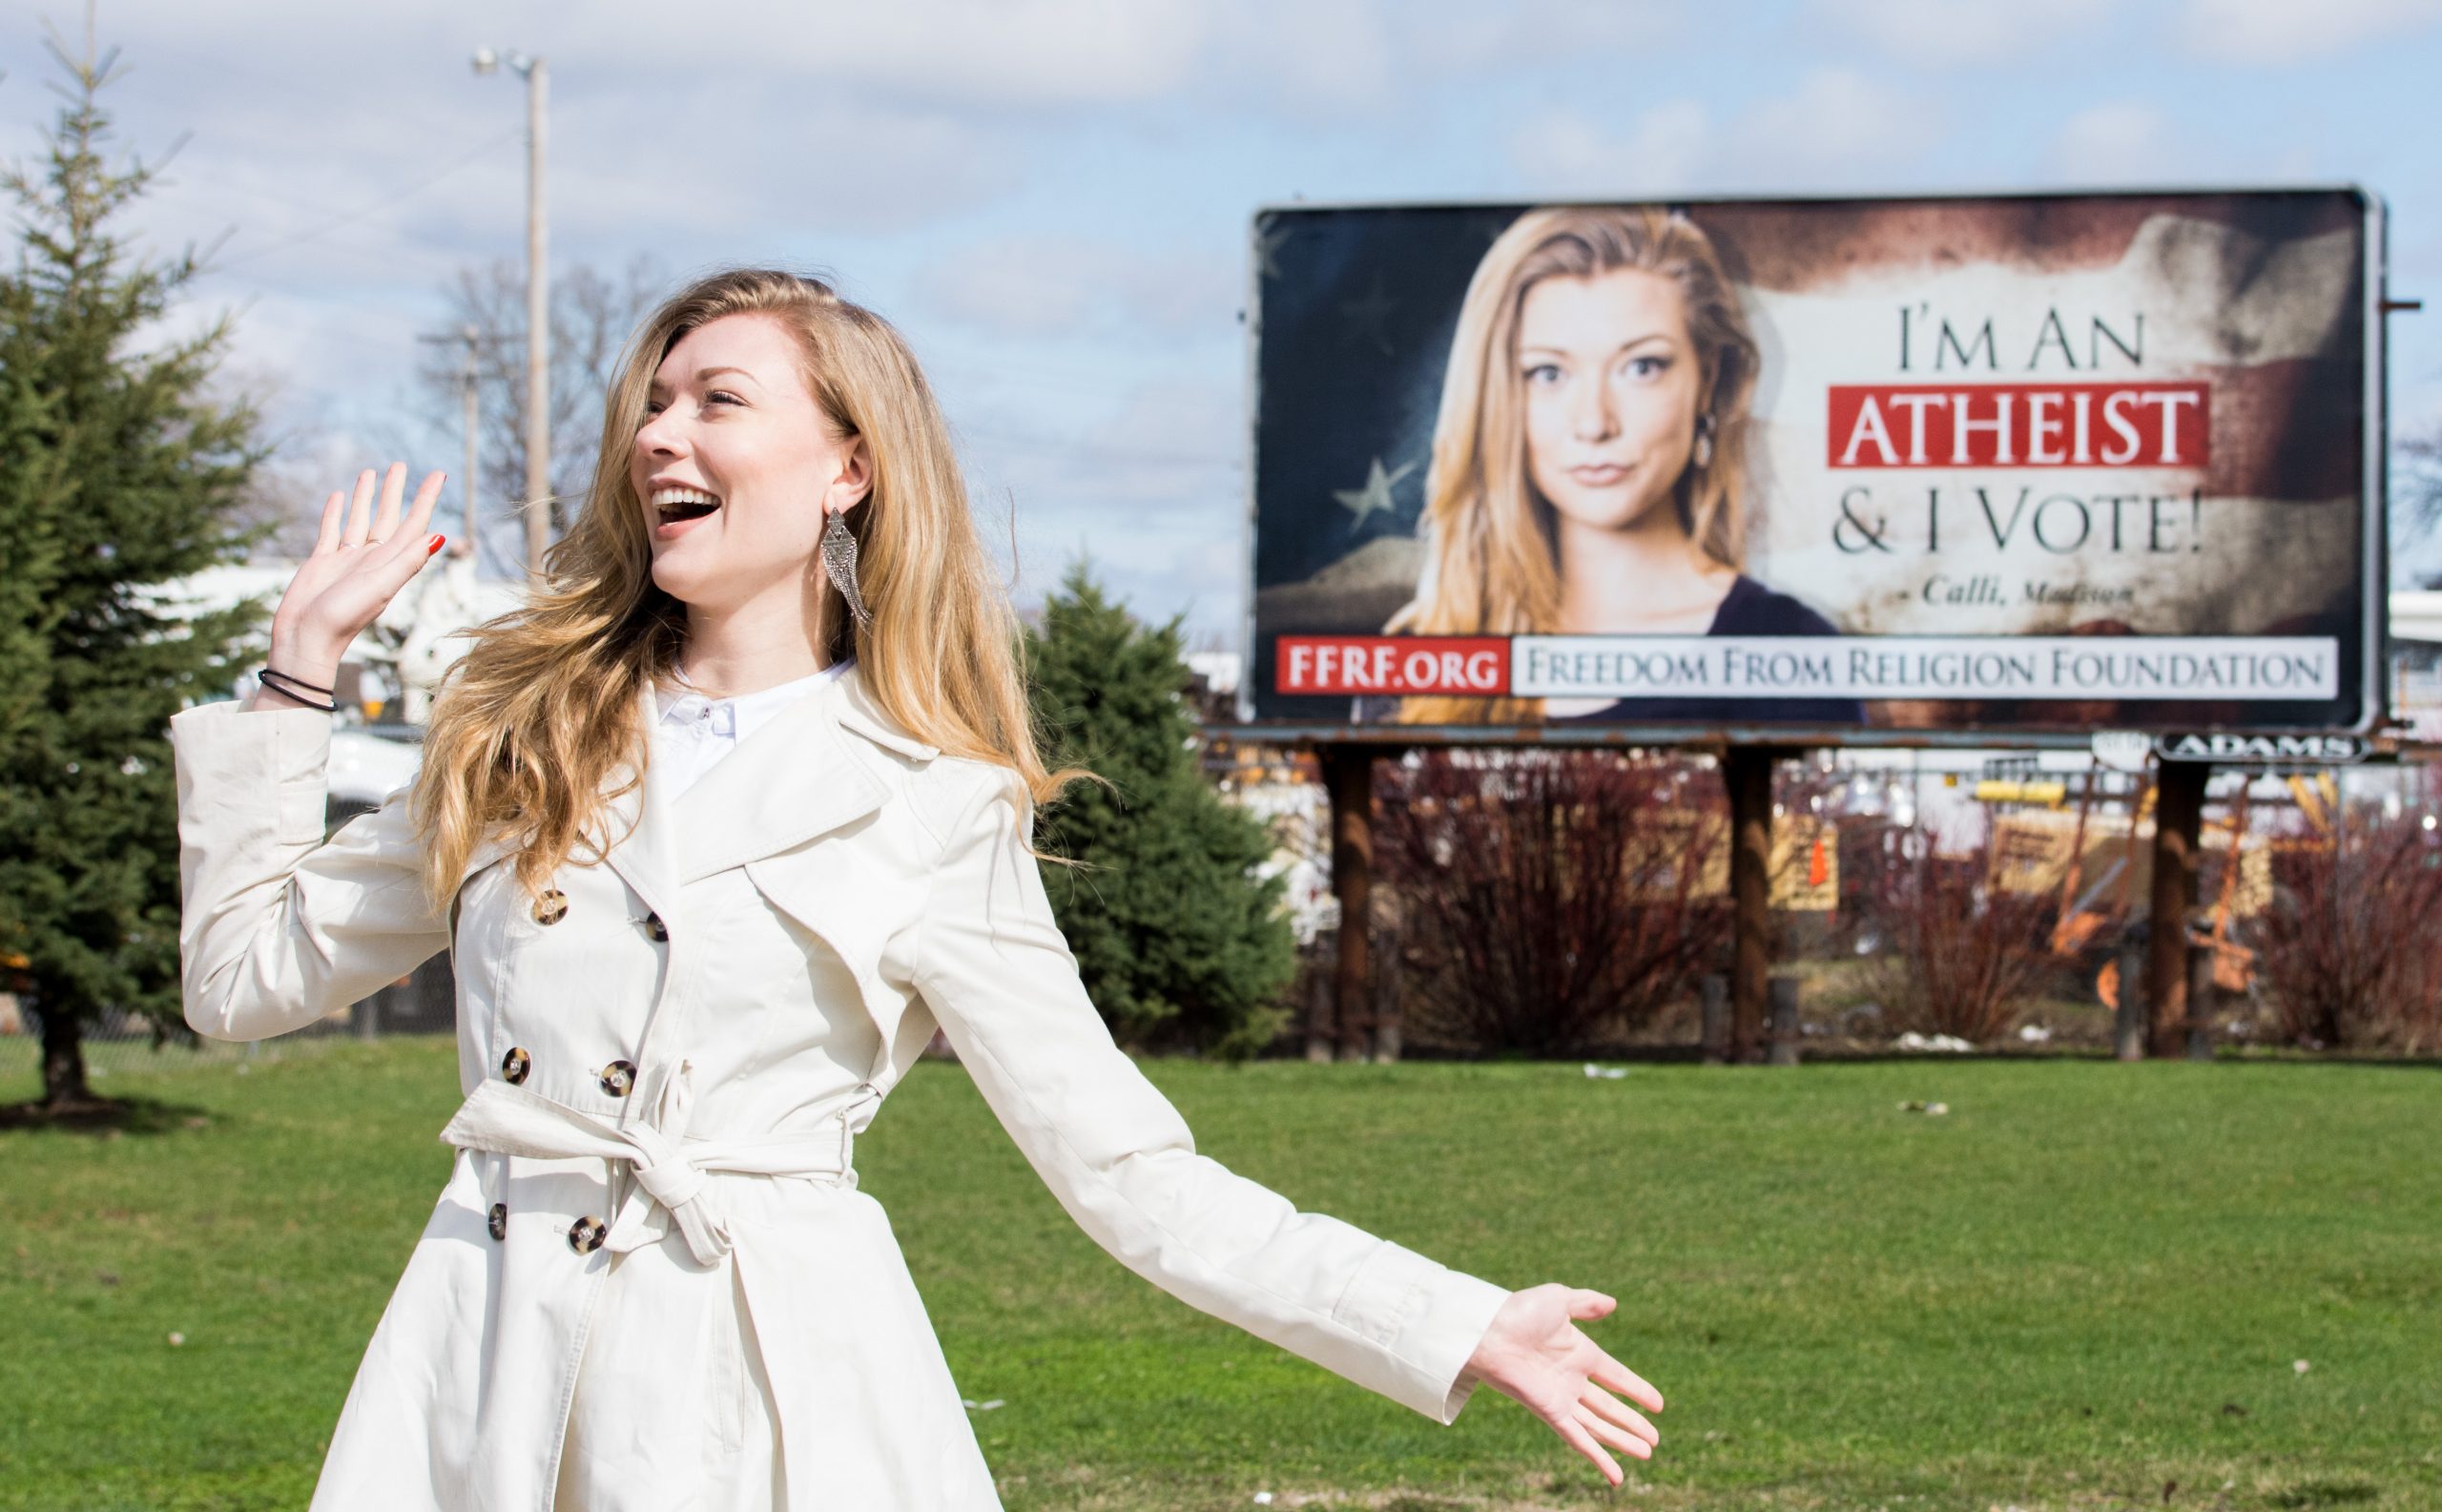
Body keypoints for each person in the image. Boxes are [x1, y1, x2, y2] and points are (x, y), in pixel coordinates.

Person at [170, 268, 1664, 1511]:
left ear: (849, 467)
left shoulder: (933, 802)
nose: (657, 434)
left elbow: (1133, 1179)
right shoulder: (515, 731)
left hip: (764, 1403)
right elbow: (240, 984)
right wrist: (298, 669)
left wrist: (1449, 1322)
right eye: (654, 401)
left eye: (717, 400)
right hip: (480, 1377)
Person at [1371, 205, 1860, 726]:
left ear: (1708, 380)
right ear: (1495, 397)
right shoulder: (1416, 659)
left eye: (1641, 367)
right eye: (1548, 373)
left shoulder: (1789, 651)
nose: (1594, 423)